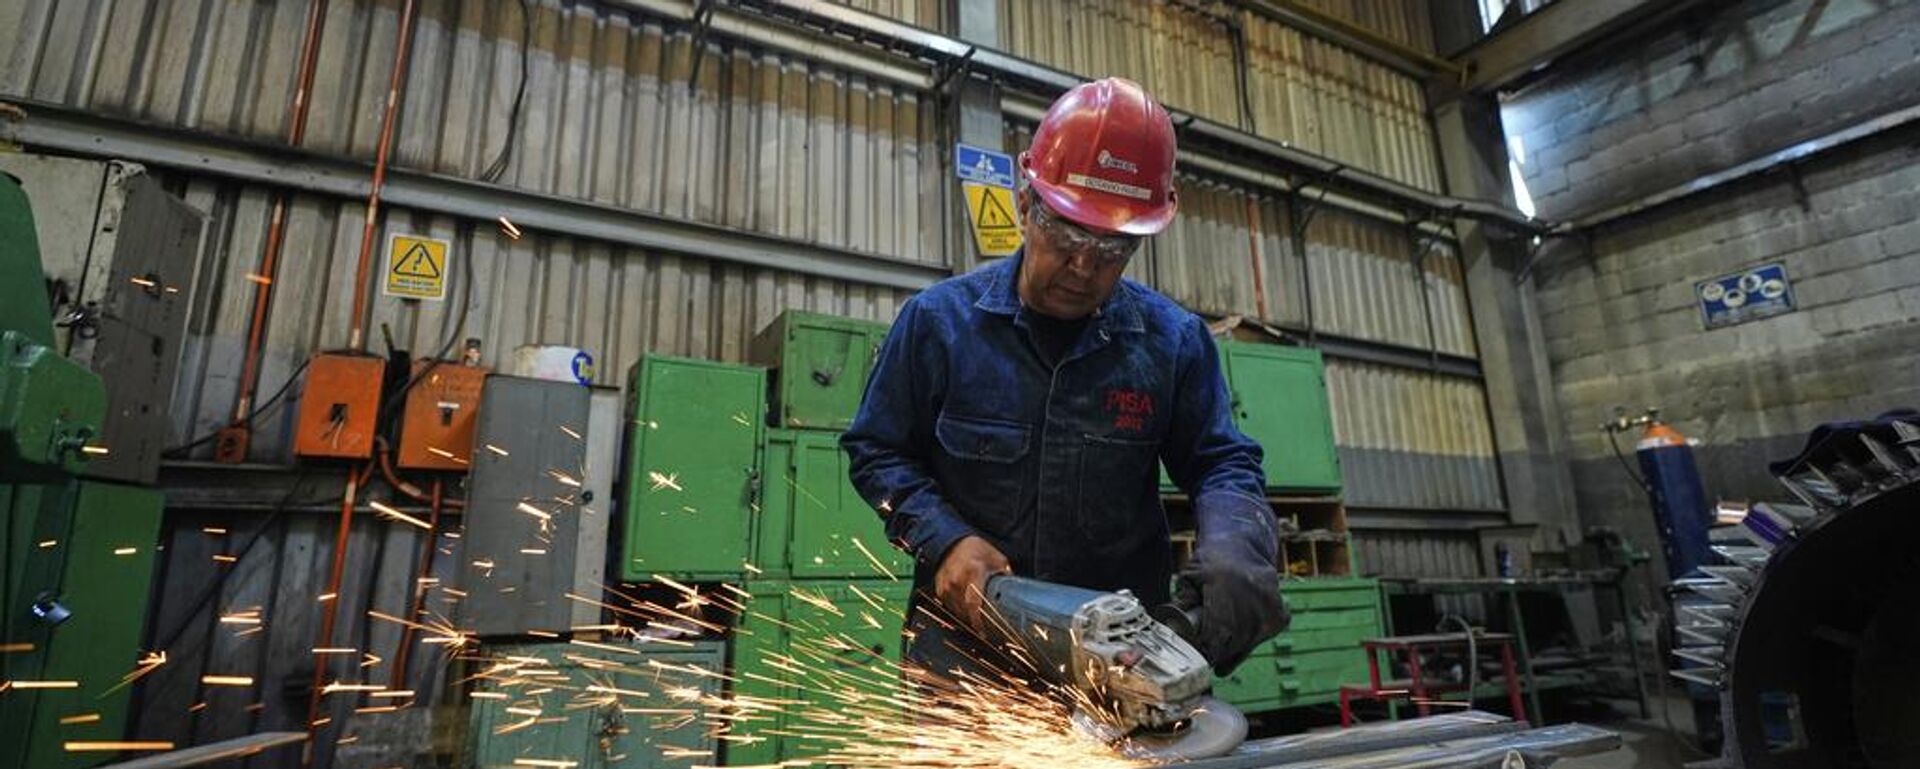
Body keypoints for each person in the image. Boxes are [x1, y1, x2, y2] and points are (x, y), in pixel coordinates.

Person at [842, 78, 1286, 683]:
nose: (1083, 267)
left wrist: (1240, 546)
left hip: (1118, 656)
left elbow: (1220, 461)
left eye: (1112, 249)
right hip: (967, 654)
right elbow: (877, 450)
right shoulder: (939, 325)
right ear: (1027, 206)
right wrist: (943, 539)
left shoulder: (1172, 342)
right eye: (1069, 236)